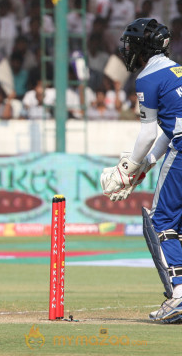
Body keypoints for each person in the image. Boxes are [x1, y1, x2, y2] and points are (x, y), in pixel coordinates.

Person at [100, 18, 182, 323]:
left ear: (142, 47)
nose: (128, 50)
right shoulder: (177, 70)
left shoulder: (148, 77)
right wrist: (146, 164)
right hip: (178, 141)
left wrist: (127, 169)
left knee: (161, 222)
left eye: (131, 45)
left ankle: (179, 297)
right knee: (179, 227)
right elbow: (168, 128)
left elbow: (149, 133)